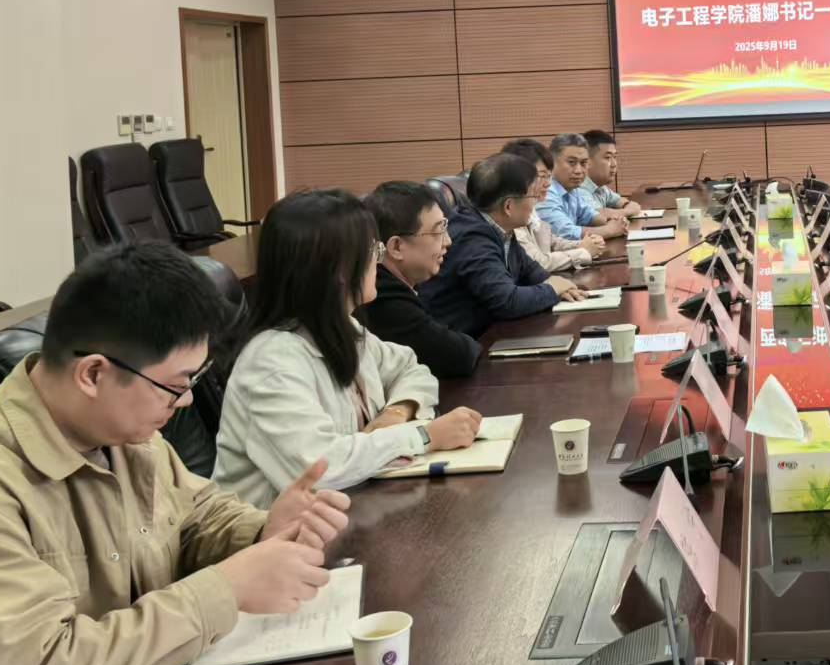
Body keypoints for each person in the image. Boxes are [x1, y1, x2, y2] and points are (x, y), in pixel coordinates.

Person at [0, 243, 350, 665]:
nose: (185, 401)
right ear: (93, 373)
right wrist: (226, 590)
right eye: (176, 384)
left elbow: (192, 516)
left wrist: (261, 531)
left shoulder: (124, 436)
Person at [214, 190, 483, 509]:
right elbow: (320, 470)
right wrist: (424, 436)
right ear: (338, 269)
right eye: (372, 250)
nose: (378, 260)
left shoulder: (343, 328)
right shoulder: (271, 362)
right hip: (278, 533)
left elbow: (411, 368)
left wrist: (397, 413)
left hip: (352, 512)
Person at [423, 153, 587, 337]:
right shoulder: (472, 236)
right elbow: (507, 301)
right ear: (509, 206)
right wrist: (552, 289)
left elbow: (530, 270)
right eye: (533, 196)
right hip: (469, 342)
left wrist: (556, 284)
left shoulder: (499, 226)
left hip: (494, 331)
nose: (537, 203)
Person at [356, 180, 481, 377]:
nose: (448, 241)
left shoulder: (409, 281)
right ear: (396, 247)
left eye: (445, 228)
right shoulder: (382, 296)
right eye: (438, 231)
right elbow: (458, 355)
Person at [502, 138, 604, 273]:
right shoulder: (511, 212)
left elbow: (551, 241)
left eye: (549, 176)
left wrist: (585, 244)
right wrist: (583, 252)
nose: (548, 183)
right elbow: (537, 263)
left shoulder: (532, 206)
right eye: (542, 176)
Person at [539, 134, 629, 241]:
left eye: (583, 163)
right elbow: (565, 232)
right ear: (551, 163)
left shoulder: (573, 190)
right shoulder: (544, 191)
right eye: (571, 162)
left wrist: (614, 221)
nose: (578, 171)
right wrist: (610, 230)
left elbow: (589, 215)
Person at [581, 129, 643, 218]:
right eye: (608, 157)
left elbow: (621, 201)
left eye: (615, 157)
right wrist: (628, 211)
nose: (614, 164)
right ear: (587, 161)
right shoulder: (578, 188)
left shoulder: (601, 188)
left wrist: (627, 206)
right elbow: (597, 215)